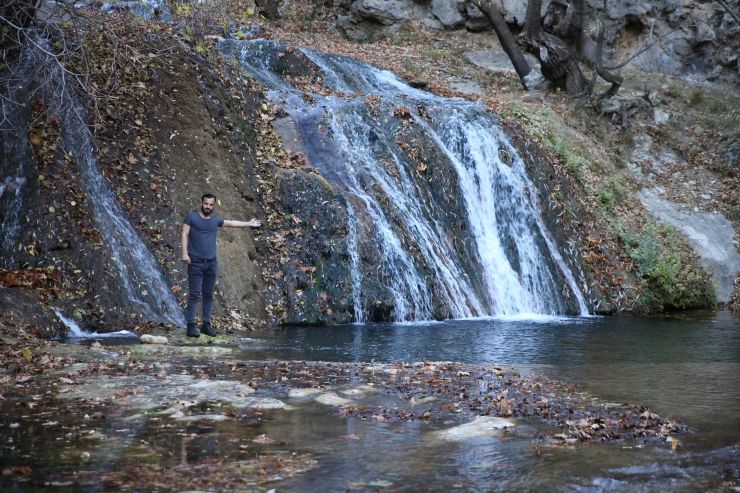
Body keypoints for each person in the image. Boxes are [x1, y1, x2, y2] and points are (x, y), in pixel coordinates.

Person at [181, 193, 261, 338]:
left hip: (211, 263)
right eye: (206, 204)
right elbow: (184, 234)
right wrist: (185, 253)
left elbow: (232, 223)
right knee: (194, 295)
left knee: (208, 295)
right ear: (201, 202)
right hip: (196, 263)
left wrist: (249, 223)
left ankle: (206, 325)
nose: (208, 207)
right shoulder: (191, 218)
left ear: (214, 206)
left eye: (211, 205)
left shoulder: (215, 221)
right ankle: (191, 326)